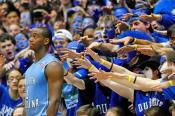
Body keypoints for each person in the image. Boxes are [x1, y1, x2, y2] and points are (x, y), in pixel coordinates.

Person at [24, 27, 63, 115]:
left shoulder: (52, 65)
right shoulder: (29, 69)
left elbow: (54, 101)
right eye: (30, 36)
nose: (30, 39)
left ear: (46, 41)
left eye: (35, 36)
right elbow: (26, 101)